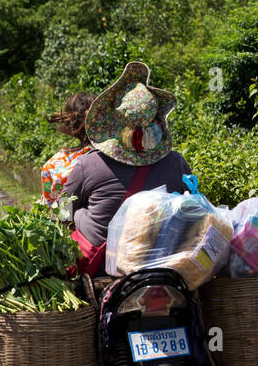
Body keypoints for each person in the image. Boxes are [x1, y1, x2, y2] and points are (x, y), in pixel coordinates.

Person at [64, 61, 190, 277]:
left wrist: (78, 218)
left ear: (112, 122)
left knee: (78, 215)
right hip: (162, 262)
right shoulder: (176, 163)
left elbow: (61, 211)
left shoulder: (89, 164)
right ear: (156, 121)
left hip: (104, 267)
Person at [39, 92, 95, 209]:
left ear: (71, 125)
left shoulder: (57, 165)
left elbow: (63, 214)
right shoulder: (124, 156)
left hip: (72, 222)